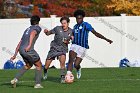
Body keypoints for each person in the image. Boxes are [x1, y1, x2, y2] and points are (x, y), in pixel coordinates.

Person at [66, 10, 113, 79]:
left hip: (83, 47)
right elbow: (72, 36)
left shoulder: (86, 25)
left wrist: (106, 39)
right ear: (75, 18)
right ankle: (68, 75)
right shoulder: (75, 27)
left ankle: (78, 69)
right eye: (77, 18)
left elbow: (95, 33)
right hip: (74, 45)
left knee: (76, 64)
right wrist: (68, 39)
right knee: (71, 59)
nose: (79, 20)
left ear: (83, 18)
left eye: (80, 18)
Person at [10, 15, 43, 88]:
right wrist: (29, 45)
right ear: (38, 21)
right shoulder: (37, 28)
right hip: (28, 50)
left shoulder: (27, 29)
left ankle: (15, 79)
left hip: (21, 50)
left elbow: (20, 42)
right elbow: (33, 33)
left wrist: (15, 55)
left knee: (28, 65)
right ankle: (37, 84)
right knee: (39, 65)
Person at [43, 16, 73, 83]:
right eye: (62, 23)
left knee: (62, 63)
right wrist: (46, 32)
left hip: (62, 49)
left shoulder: (71, 31)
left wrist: (68, 42)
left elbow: (72, 40)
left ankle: (62, 77)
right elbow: (48, 33)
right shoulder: (57, 28)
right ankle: (45, 70)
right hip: (54, 48)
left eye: (64, 23)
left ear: (68, 23)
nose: (63, 25)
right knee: (46, 66)